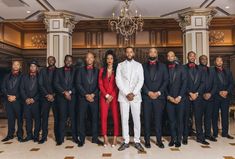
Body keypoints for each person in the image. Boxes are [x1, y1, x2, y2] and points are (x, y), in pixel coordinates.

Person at [116, 46, 145, 152]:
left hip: (135, 97)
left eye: (131, 52)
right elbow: (118, 80)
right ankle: (126, 141)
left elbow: (141, 80)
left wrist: (134, 93)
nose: (129, 53)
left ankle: (137, 141)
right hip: (124, 97)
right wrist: (126, 93)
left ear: (133, 53)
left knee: (136, 119)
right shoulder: (120, 65)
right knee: (124, 119)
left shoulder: (139, 65)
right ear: (125, 53)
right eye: (127, 52)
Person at [142, 48, 168, 149]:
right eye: (150, 51)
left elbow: (166, 81)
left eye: (154, 52)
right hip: (146, 97)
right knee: (147, 120)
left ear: (157, 54)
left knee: (158, 120)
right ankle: (147, 141)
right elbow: (140, 81)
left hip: (159, 97)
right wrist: (148, 92)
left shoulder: (163, 66)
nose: (152, 53)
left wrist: (158, 92)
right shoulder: (142, 66)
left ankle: (158, 140)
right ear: (148, 53)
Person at [76, 52, 102, 147]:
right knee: (81, 119)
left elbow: (99, 85)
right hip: (83, 99)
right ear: (85, 59)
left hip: (94, 99)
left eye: (91, 57)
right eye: (88, 57)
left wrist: (93, 95)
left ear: (94, 59)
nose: (89, 59)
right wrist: (86, 95)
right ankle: (81, 139)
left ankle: (95, 139)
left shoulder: (98, 71)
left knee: (95, 119)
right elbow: (78, 84)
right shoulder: (80, 70)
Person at [183, 51, 208, 145]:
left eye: (194, 56)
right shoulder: (183, 68)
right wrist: (190, 93)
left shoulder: (200, 69)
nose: (192, 57)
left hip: (198, 97)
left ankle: (200, 137)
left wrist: (196, 94)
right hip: (186, 97)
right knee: (186, 117)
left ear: (195, 57)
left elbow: (202, 82)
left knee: (198, 118)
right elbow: (182, 82)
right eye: (190, 56)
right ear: (187, 57)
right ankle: (184, 137)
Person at [54, 55, 77, 145]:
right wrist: (64, 92)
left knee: (73, 118)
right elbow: (55, 83)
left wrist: (70, 92)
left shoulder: (75, 71)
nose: (68, 62)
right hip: (61, 98)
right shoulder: (58, 71)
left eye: (70, 61)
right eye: (67, 60)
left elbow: (77, 83)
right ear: (64, 61)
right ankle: (60, 139)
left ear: (72, 62)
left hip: (72, 98)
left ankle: (75, 138)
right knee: (62, 118)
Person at [98, 50, 119, 147]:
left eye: (111, 58)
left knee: (115, 118)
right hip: (104, 97)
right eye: (108, 58)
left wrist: (112, 96)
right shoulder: (102, 70)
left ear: (114, 60)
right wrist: (106, 95)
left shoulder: (117, 70)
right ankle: (105, 137)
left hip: (114, 97)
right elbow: (100, 84)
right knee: (103, 118)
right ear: (106, 60)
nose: (109, 60)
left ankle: (115, 138)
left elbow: (117, 85)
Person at [166, 51, 187, 148]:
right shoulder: (164, 68)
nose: (170, 57)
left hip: (180, 99)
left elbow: (184, 83)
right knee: (171, 120)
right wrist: (169, 97)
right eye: (169, 56)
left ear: (175, 57)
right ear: (167, 58)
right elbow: (163, 84)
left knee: (179, 120)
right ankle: (172, 138)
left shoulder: (181, 68)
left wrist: (179, 97)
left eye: (172, 56)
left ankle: (179, 139)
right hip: (169, 99)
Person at [1, 60, 23, 142]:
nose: (16, 66)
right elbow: (3, 87)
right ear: (12, 66)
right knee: (10, 119)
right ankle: (10, 135)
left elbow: (23, 89)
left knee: (20, 119)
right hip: (8, 101)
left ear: (20, 66)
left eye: (18, 64)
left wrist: (15, 96)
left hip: (18, 101)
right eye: (14, 64)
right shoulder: (6, 76)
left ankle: (20, 135)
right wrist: (8, 95)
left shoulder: (23, 76)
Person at [212, 56, 234, 139]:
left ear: (222, 62)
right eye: (218, 61)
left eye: (221, 61)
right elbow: (211, 83)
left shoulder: (228, 71)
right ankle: (215, 133)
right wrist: (219, 92)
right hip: (216, 96)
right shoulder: (211, 71)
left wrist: (227, 91)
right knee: (214, 115)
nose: (219, 62)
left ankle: (225, 133)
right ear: (215, 62)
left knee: (225, 115)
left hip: (225, 97)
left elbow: (231, 83)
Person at [38, 56, 58, 144]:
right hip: (45, 98)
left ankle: (58, 137)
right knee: (44, 118)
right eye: (49, 60)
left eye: (52, 60)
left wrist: (53, 94)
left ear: (55, 61)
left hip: (56, 98)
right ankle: (44, 136)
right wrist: (47, 95)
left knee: (57, 118)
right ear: (47, 61)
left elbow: (60, 84)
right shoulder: (42, 71)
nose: (51, 61)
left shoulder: (59, 71)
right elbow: (40, 84)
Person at [21, 60, 40, 142]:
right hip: (26, 102)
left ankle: (36, 136)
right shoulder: (24, 77)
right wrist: (26, 98)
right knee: (28, 119)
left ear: (37, 68)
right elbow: (21, 89)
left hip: (37, 102)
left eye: (34, 66)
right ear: (29, 68)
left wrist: (34, 99)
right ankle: (29, 135)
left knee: (37, 120)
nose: (32, 68)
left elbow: (41, 90)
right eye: (31, 66)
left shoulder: (40, 77)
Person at [199, 55, 217, 142]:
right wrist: (202, 94)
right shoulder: (197, 69)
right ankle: (200, 136)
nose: (204, 60)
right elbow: (195, 83)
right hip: (200, 98)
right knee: (199, 118)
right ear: (199, 60)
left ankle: (208, 134)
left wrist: (210, 93)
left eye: (205, 59)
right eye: (202, 59)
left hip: (210, 98)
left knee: (208, 117)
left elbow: (215, 84)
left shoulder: (212, 70)